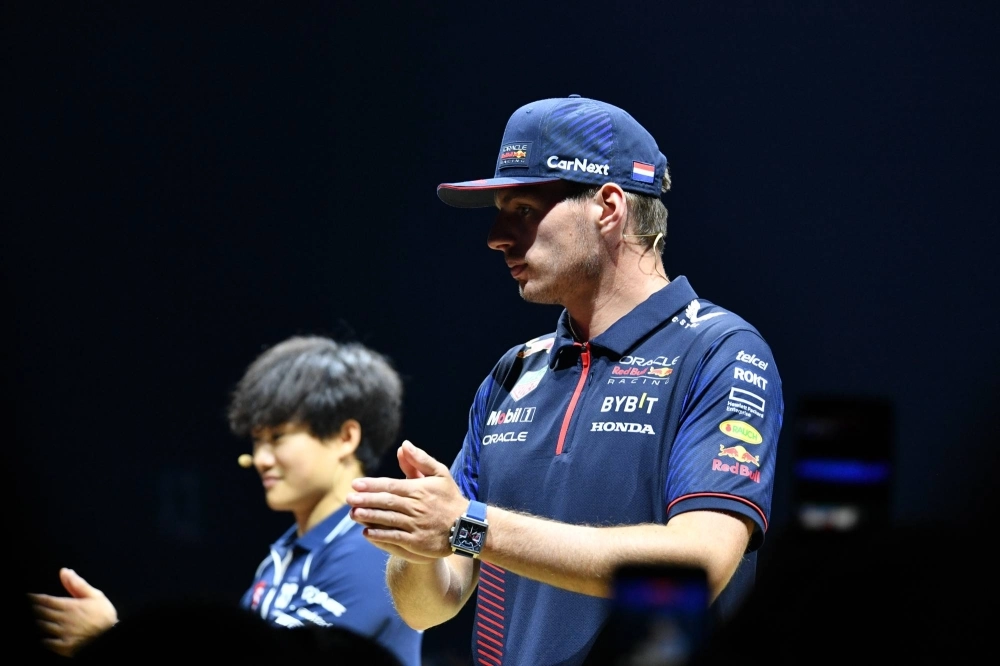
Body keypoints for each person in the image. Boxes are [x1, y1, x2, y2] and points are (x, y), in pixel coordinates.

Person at [345, 95, 784, 665]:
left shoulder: (719, 351)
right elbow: (431, 606)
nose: (496, 236)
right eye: (500, 211)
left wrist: (468, 525)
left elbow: (695, 567)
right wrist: (418, 543)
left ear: (607, 207)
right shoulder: (514, 371)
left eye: (523, 208)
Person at [29, 335, 423, 666]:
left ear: (345, 437)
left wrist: (112, 641)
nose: (260, 458)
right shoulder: (282, 557)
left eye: (278, 437)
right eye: (257, 440)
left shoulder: (375, 545)